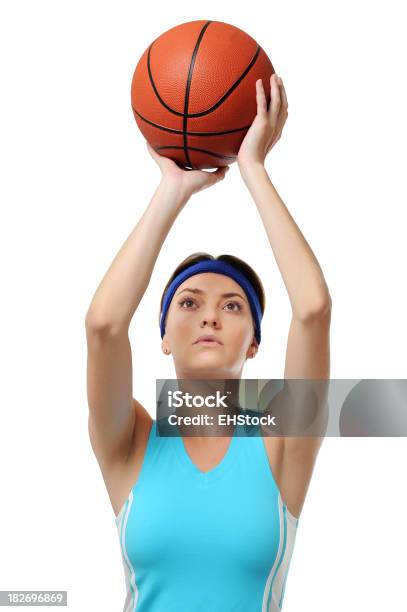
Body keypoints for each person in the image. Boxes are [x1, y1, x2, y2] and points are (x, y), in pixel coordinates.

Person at [85, 74, 332, 611]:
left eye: (233, 306)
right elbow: (104, 325)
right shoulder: (130, 443)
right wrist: (171, 190)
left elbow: (312, 311)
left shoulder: (282, 444)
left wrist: (254, 169)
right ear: (165, 338)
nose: (210, 318)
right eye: (189, 303)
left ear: (252, 345)